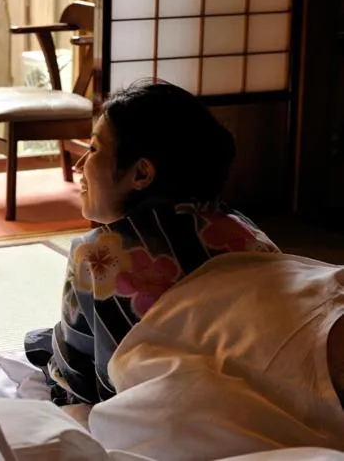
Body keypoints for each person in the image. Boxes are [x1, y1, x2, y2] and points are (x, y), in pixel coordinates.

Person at [25, 79, 280, 406]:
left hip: (154, 419)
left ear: (141, 173)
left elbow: (80, 384)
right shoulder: (248, 233)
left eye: (93, 149)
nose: (79, 165)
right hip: (259, 407)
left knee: (42, 346)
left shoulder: (98, 254)